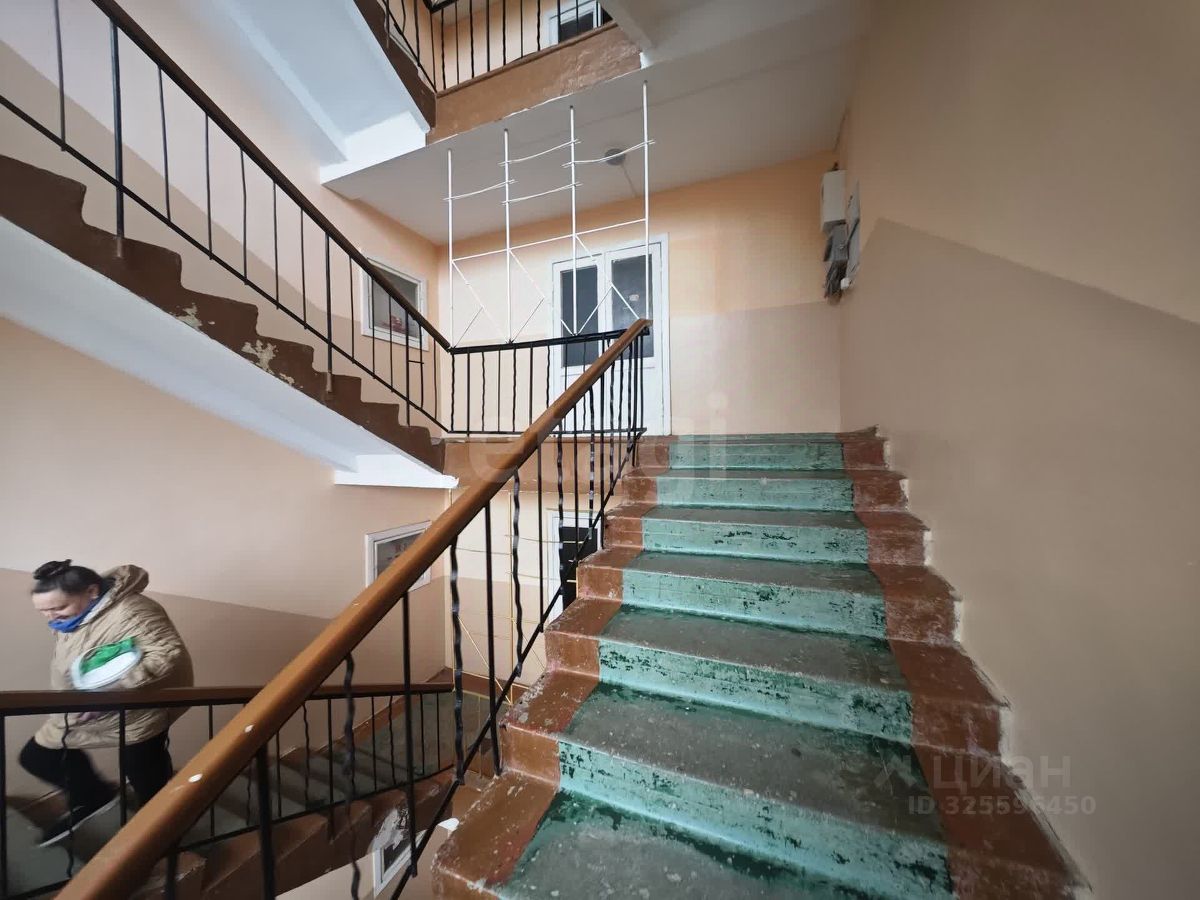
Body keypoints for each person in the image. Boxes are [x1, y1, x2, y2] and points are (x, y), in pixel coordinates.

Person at [19, 560, 194, 846]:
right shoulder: (78, 614)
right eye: (43, 611)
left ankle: (164, 834)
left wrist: (110, 694)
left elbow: (166, 654)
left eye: (58, 608)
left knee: (144, 772)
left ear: (91, 592)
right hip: (84, 707)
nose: (50, 617)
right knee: (37, 756)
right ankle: (93, 796)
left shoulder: (133, 611)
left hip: (138, 708)